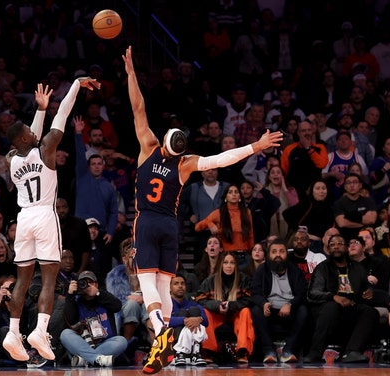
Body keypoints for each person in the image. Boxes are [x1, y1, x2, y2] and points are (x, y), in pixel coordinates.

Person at [123, 45, 282, 375]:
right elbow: (223, 160)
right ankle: (160, 347)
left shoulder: (149, 148)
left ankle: (161, 333)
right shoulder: (187, 164)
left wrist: (131, 73)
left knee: (148, 286)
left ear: (164, 140)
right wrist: (257, 145)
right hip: (170, 226)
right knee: (165, 289)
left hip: (147, 221)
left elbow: (138, 107)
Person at [3, 78, 100, 362]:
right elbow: (64, 114)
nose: (34, 134)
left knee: (22, 279)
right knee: (49, 277)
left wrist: (40, 109)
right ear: (24, 138)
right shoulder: (46, 148)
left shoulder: (12, 159)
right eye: (28, 133)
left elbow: (29, 138)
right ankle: (40, 330)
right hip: (45, 214)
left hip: (23, 218)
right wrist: (76, 85)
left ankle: (13, 331)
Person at [303, 234, 379, 363]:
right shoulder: (322, 268)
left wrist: (369, 292)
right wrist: (333, 297)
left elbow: (365, 287)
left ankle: (351, 352)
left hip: (351, 306)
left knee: (370, 312)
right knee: (331, 307)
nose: (336, 247)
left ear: (346, 247)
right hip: (326, 309)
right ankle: (315, 352)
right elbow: (312, 293)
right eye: (332, 245)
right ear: (328, 249)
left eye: (340, 243)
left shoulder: (357, 267)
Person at [250, 239, 308, 363]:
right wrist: (263, 303)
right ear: (268, 255)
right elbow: (255, 291)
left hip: (289, 310)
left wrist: (290, 304)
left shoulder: (295, 270)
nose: (278, 255)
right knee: (256, 310)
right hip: (270, 310)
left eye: (281, 252)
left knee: (303, 310)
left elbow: (302, 293)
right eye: (274, 252)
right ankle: (269, 351)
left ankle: (288, 350)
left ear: (287, 254)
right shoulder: (262, 270)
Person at [195, 253, 255, 363]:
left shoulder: (244, 279)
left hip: (235, 313)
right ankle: (208, 351)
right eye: (225, 263)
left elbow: (250, 299)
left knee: (246, 311)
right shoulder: (210, 281)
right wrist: (217, 306)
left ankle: (243, 351)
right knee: (205, 312)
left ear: (236, 265)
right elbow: (199, 299)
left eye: (232, 263)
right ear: (221, 265)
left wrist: (231, 306)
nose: (229, 266)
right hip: (217, 314)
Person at [61, 271, 127, 367]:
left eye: (90, 282)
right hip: (82, 345)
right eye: (83, 283)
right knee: (65, 334)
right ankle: (96, 359)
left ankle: (85, 359)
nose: (87, 286)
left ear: (96, 284)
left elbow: (117, 306)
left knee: (121, 341)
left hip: (105, 344)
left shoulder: (103, 295)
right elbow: (71, 319)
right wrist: (70, 295)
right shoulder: (75, 300)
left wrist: (98, 293)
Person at [195, 184, 254, 269]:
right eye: (230, 192)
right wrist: (210, 224)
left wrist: (251, 252)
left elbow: (250, 234)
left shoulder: (246, 212)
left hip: (245, 256)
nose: (233, 194)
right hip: (227, 257)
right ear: (226, 197)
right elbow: (197, 227)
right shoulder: (219, 213)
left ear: (240, 197)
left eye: (236, 192)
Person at [168, 274, 208, 367]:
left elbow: (206, 321)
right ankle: (179, 353)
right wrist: (185, 320)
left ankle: (196, 353)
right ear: (169, 288)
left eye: (182, 283)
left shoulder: (192, 303)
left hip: (192, 342)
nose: (180, 286)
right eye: (176, 284)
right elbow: (164, 321)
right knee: (182, 313)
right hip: (171, 342)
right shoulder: (166, 303)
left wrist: (199, 319)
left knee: (195, 311)